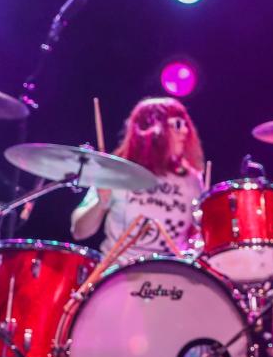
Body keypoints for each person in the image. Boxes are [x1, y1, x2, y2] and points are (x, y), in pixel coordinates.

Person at [68, 97, 204, 260]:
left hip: (171, 277)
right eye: (177, 124)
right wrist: (101, 203)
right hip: (119, 274)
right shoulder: (115, 172)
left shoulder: (192, 179)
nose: (185, 131)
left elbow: (198, 236)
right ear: (153, 129)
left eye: (186, 125)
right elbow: (79, 232)